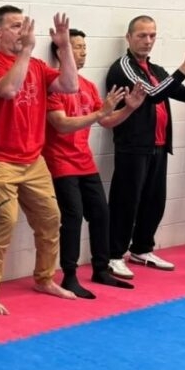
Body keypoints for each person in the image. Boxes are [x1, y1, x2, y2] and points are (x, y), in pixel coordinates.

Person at [0, 7, 80, 315]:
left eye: (24, 25)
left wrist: (64, 47)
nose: (23, 31)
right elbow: (7, 90)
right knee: (4, 222)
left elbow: (70, 85)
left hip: (33, 160)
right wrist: (27, 51)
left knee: (51, 219)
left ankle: (45, 278)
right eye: (15, 26)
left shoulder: (38, 65)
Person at [105, 17, 185, 278]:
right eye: (141, 35)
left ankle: (142, 249)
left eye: (152, 35)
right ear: (128, 37)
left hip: (158, 145)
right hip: (133, 146)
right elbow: (154, 94)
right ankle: (113, 254)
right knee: (126, 201)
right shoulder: (123, 67)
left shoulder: (155, 69)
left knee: (154, 201)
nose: (147, 41)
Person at [45, 29, 144, 297]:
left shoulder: (87, 86)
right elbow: (61, 124)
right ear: (61, 52)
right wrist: (100, 112)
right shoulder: (53, 86)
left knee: (101, 213)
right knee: (73, 217)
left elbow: (106, 120)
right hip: (60, 162)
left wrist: (129, 108)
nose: (83, 52)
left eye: (84, 47)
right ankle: (70, 276)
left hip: (85, 162)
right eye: (76, 47)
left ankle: (101, 269)